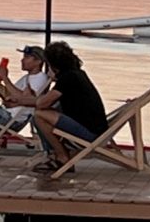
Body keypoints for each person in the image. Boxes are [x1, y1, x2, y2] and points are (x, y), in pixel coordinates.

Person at [33, 41, 109, 170]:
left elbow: (42, 104)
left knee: (39, 116)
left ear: (53, 64)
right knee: (49, 112)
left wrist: (52, 79)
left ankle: (62, 157)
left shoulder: (67, 78)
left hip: (90, 134)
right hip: (97, 129)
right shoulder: (77, 74)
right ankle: (54, 154)